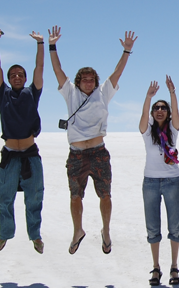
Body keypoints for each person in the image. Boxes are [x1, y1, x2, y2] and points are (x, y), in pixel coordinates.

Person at [48, 25, 137, 255]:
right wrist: (52, 46)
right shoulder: (70, 93)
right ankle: (78, 231)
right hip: (76, 153)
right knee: (75, 195)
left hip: (98, 151)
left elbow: (117, 72)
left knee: (105, 194)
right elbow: (57, 69)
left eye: (91, 79)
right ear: (78, 82)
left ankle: (106, 231)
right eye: (84, 79)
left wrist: (126, 51)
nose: (88, 82)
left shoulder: (103, 92)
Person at [0, 27, 48, 255]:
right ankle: (4, 234)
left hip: (30, 155)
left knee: (34, 198)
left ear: (24, 79)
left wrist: (40, 44)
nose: (16, 77)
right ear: (8, 79)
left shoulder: (32, 93)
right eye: (12, 74)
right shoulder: (2, 93)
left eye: (20, 75)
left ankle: (35, 236)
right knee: (4, 198)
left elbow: (40, 68)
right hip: (9, 156)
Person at [138, 78, 179, 286]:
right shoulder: (148, 133)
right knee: (153, 227)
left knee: (175, 226)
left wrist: (172, 92)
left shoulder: (172, 131)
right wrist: (148, 96)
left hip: (172, 182)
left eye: (163, 108)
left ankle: (174, 267)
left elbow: (175, 112)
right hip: (150, 183)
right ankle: (156, 267)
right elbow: (143, 118)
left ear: (168, 112)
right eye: (156, 108)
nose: (159, 110)